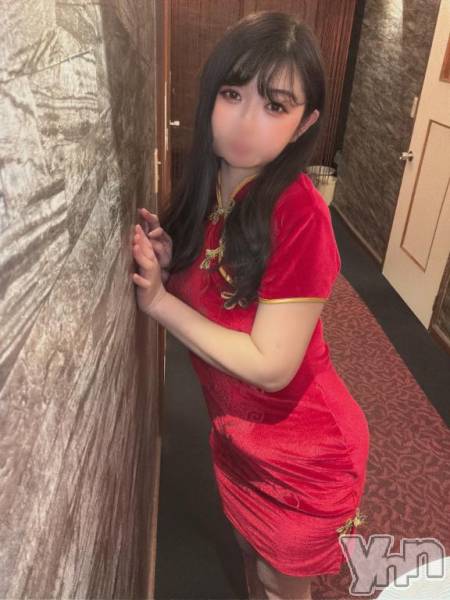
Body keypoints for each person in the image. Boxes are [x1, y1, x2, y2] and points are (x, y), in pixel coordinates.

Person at [131, 10, 370, 600]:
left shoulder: (300, 214)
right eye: (233, 94)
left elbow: (271, 364)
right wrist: (175, 264)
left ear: (305, 122)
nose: (244, 122)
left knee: (279, 583)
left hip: (304, 452)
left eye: (275, 106)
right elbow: (217, 291)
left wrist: (159, 302)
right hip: (239, 440)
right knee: (247, 552)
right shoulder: (214, 182)